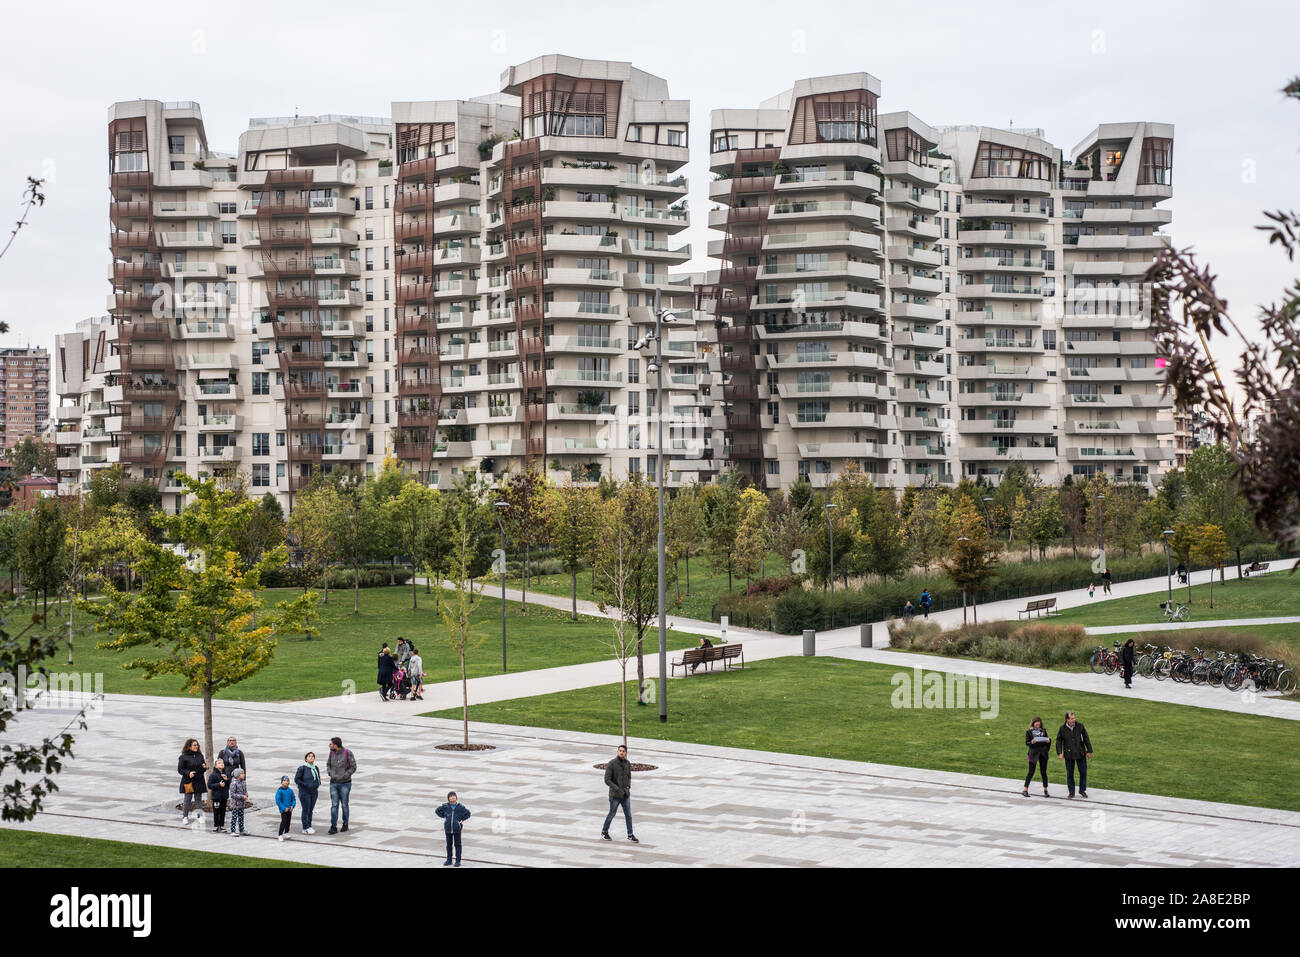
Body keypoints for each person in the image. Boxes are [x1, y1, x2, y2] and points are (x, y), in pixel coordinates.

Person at [601, 744, 637, 843]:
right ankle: (604, 832)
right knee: (612, 813)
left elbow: (629, 776)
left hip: (625, 794)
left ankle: (630, 835)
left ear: (626, 753)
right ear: (617, 752)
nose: (621, 752)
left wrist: (628, 786)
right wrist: (617, 788)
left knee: (628, 815)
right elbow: (607, 780)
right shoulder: (611, 763)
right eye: (620, 751)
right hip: (615, 795)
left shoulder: (627, 763)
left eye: (623, 751)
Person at [1056, 711, 1094, 799]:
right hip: (1069, 755)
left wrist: (1089, 751)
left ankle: (1082, 790)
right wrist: (1060, 753)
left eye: (1074, 718)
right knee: (1070, 774)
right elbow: (1058, 741)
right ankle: (1071, 792)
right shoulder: (1062, 728)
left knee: (1083, 772)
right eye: (1072, 718)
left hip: (1080, 753)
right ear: (1067, 719)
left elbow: (1086, 738)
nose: (1074, 720)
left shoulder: (1080, 726)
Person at [326, 736, 356, 834]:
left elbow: (353, 767)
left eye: (331, 744)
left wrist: (344, 776)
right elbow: (328, 765)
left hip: (345, 784)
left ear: (336, 745)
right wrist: (331, 773)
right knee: (334, 805)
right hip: (333, 783)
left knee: (344, 805)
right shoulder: (331, 753)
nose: (329, 745)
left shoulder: (348, 753)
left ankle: (345, 824)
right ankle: (333, 826)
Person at [435, 791, 472, 867]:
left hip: (457, 828)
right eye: (450, 796)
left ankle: (458, 861)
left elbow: (468, 813)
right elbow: (437, 811)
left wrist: (461, 820)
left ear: (456, 797)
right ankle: (449, 860)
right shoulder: (445, 806)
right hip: (448, 828)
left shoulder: (460, 807)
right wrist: (444, 816)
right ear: (448, 798)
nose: (452, 797)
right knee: (449, 845)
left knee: (458, 845)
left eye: (453, 796)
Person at [177, 738, 207, 826]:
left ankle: (199, 816)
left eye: (197, 745)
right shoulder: (183, 757)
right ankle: (185, 817)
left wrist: (204, 767)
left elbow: (203, 768)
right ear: (189, 746)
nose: (196, 746)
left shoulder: (200, 755)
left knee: (198, 800)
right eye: (194, 745)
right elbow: (180, 769)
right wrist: (188, 773)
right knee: (187, 799)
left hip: (199, 780)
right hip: (188, 781)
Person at [1022, 717, 1051, 798]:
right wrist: (1032, 742)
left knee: (1043, 772)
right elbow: (1027, 743)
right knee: (1031, 772)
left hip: (1043, 753)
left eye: (1039, 724)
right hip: (1033, 754)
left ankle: (1045, 790)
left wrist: (1048, 741)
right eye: (1036, 724)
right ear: (1033, 723)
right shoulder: (1029, 732)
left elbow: (1047, 740)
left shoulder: (1043, 730)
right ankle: (1025, 790)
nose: (1038, 725)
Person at [294, 752, 321, 834]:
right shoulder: (302, 768)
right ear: (306, 759)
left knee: (310, 810)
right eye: (309, 756)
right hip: (305, 792)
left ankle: (309, 825)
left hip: (314, 792)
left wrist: (317, 784)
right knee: (306, 809)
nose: (311, 757)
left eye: (313, 756)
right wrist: (306, 785)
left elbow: (318, 778)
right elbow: (297, 779)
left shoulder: (315, 768)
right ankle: (305, 827)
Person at [207, 757, 230, 833]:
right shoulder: (213, 775)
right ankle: (216, 826)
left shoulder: (226, 773)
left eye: (222, 763)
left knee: (223, 811)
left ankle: (222, 825)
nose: (221, 764)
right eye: (219, 763)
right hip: (216, 797)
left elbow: (230, 784)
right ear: (215, 766)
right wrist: (218, 785)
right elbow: (209, 785)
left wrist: (226, 780)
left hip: (224, 796)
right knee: (216, 811)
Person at [275, 776, 297, 841]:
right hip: (283, 810)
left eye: (287, 781)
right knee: (284, 821)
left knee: (288, 821)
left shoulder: (290, 790)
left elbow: (293, 799)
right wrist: (284, 808)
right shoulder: (280, 791)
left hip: (289, 809)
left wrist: (292, 806)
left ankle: (286, 832)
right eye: (284, 781)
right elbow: (278, 801)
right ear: (282, 782)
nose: (286, 782)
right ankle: (280, 834)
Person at [228, 768, 248, 836]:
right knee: (234, 817)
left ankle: (241, 830)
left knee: (241, 817)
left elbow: (245, 790)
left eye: (243, 773)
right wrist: (242, 796)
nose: (244, 774)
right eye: (242, 774)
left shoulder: (243, 782)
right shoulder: (233, 783)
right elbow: (232, 794)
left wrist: (246, 795)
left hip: (241, 803)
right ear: (238, 775)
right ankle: (232, 831)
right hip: (235, 804)